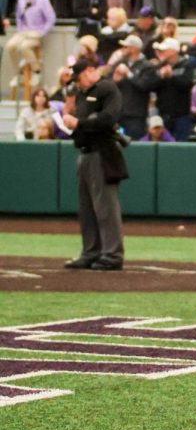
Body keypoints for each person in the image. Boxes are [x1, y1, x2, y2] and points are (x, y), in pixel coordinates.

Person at [61, 59, 128, 271]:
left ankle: (112, 254)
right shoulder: (81, 93)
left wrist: (79, 123)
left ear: (90, 71)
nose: (77, 83)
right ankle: (90, 252)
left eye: (79, 78)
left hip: (102, 153)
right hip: (85, 152)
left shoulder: (106, 88)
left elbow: (108, 118)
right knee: (87, 208)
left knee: (105, 207)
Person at [4, 0, 56, 89]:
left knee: (24, 47)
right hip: (23, 31)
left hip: (36, 32)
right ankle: (18, 74)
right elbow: (18, 17)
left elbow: (51, 17)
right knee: (10, 46)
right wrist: (20, 29)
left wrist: (43, 31)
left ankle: (36, 71)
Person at [152, 36, 194, 141]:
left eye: (165, 50)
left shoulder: (186, 65)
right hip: (163, 113)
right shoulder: (160, 66)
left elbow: (187, 84)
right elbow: (151, 86)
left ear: (173, 51)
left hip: (181, 114)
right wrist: (161, 77)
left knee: (180, 146)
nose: (162, 52)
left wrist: (172, 76)